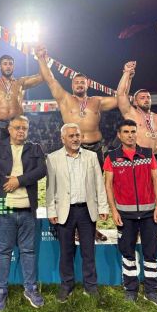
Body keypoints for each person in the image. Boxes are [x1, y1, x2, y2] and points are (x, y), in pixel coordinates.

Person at [35, 46, 120, 242]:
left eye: (82, 82)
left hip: (95, 148)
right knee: (70, 188)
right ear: (72, 85)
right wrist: (40, 58)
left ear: (87, 85)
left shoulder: (97, 101)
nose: (80, 84)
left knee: (93, 188)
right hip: (72, 148)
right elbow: (50, 79)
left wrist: (127, 76)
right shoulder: (65, 98)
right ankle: (72, 228)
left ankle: (92, 228)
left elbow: (120, 99)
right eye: (76, 82)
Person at [0, 116, 47, 312]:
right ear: (9, 129)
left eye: (24, 128)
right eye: (17, 127)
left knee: (28, 251)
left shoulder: (35, 148)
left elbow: (42, 170)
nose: (21, 131)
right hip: (3, 207)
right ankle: (1, 290)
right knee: (3, 252)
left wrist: (19, 180)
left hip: (27, 208)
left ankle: (30, 289)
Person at [104, 119, 157, 308]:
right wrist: (114, 210)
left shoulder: (148, 154)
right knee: (127, 252)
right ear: (119, 135)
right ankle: (131, 291)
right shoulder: (112, 157)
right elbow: (108, 185)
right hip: (125, 215)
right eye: (126, 132)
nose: (130, 135)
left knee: (151, 253)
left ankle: (152, 291)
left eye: (133, 131)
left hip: (149, 214)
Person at [45, 123, 109, 302]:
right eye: (71, 136)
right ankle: (66, 286)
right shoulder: (53, 158)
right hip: (64, 211)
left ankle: (91, 287)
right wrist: (51, 210)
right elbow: (50, 188)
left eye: (77, 135)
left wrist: (103, 207)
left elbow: (99, 183)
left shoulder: (91, 156)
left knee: (88, 251)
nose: (75, 139)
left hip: (87, 211)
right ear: (62, 139)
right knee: (66, 252)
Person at [117, 62, 157, 242]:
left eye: (148, 97)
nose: (146, 99)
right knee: (136, 195)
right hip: (137, 158)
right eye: (142, 97)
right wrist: (126, 73)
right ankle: (136, 230)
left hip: (156, 159)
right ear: (135, 101)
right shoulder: (130, 113)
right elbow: (120, 94)